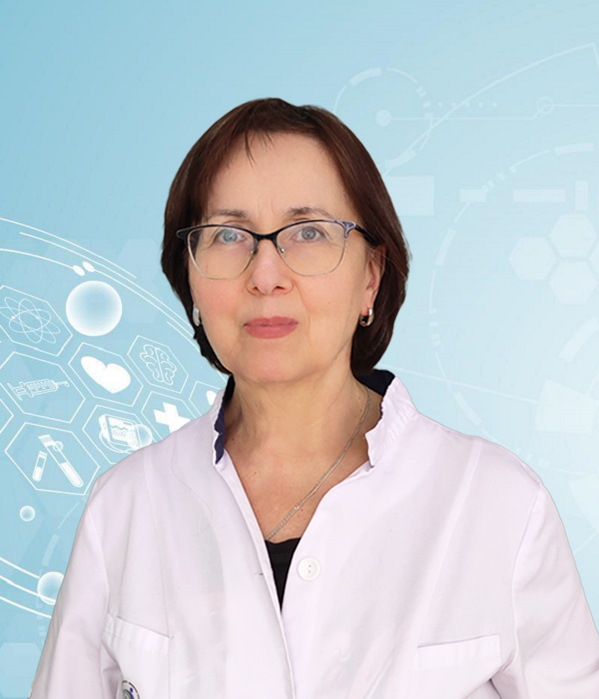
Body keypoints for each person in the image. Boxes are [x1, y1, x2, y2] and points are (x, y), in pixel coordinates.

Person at [31, 98, 599, 698]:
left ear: (371, 277)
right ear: (190, 278)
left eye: (309, 233)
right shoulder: (124, 507)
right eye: (228, 235)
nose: (265, 275)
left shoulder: (499, 505)